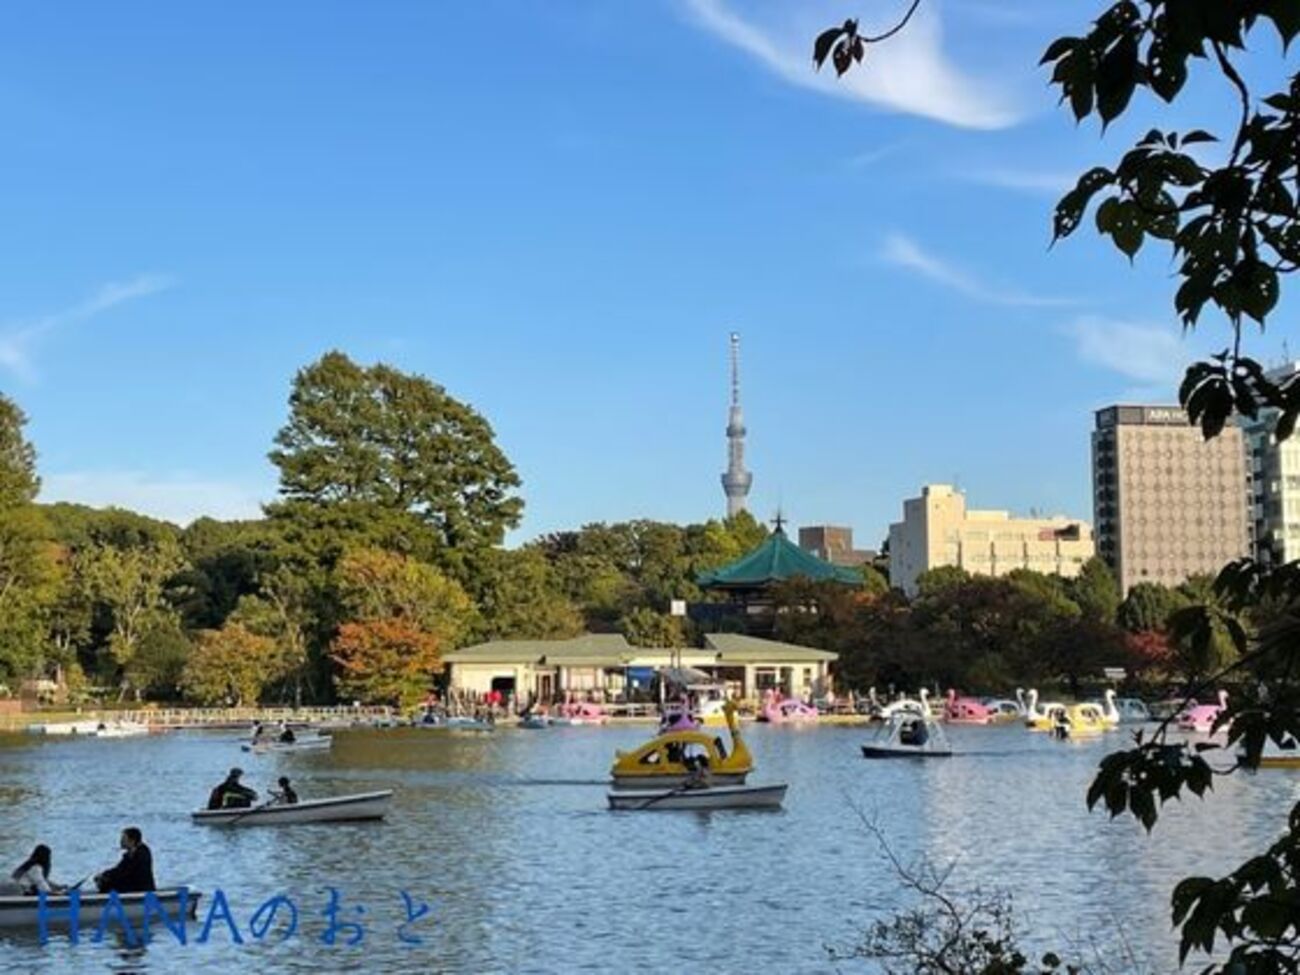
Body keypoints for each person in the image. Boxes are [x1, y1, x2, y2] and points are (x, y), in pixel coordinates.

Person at [95, 828, 155, 894]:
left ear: (132, 841)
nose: (121, 841)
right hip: (132, 886)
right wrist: (104, 875)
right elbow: (119, 869)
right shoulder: (130, 854)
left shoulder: (141, 854)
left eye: (123, 839)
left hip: (140, 889)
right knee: (106, 882)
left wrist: (107, 878)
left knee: (108, 885)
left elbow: (126, 872)